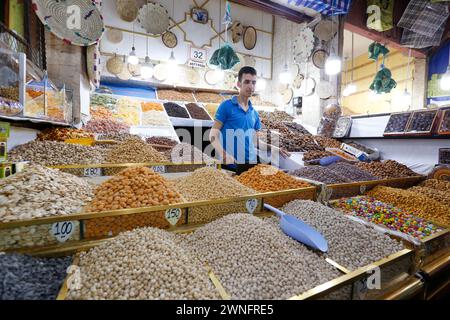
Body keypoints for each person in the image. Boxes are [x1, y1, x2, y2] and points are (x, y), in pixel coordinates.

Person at [209, 66, 290, 172]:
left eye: (253, 82)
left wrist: (274, 148)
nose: (250, 86)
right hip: (230, 165)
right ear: (238, 84)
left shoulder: (254, 114)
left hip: (250, 165)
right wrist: (224, 155)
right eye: (247, 82)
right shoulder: (226, 106)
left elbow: (255, 142)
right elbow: (212, 135)